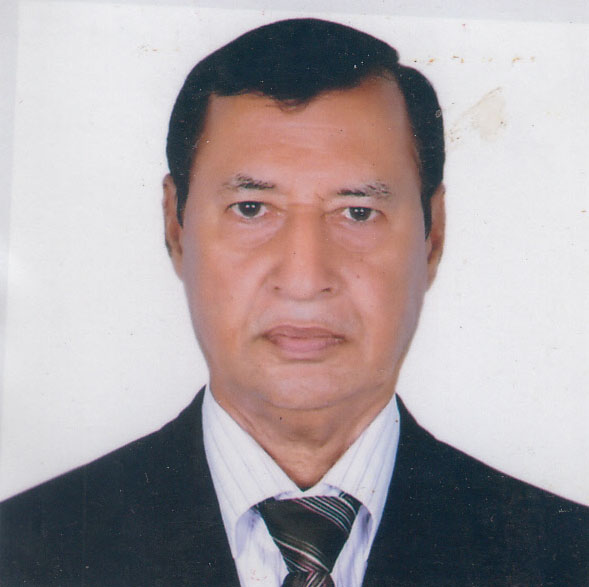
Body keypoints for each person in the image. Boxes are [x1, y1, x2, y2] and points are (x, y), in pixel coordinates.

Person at [0, 18, 586, 587]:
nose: (304, 279)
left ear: (433, 236)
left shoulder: (564, 558)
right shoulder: (25, 551)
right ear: (175, 228)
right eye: (252, 209)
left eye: (358, 212)